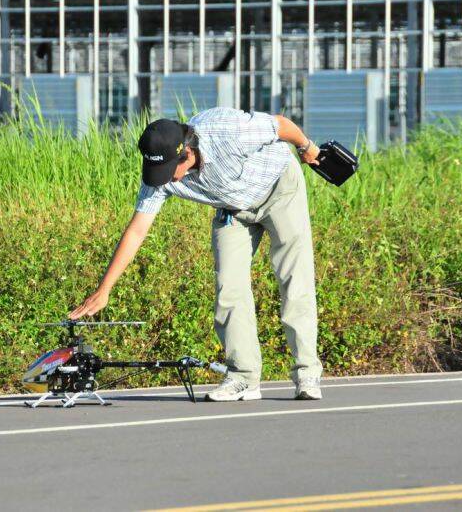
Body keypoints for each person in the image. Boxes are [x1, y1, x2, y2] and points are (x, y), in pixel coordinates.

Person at [68, 107, 323, 401]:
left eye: (167, 172)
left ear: (187, 154)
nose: (165, 180)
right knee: (228, 288)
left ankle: (306, 374)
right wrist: (104, 289)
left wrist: (307, 147)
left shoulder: (229, 130)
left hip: (279, 189)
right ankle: (243, 377)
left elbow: (281, 125)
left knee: (294, 279)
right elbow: (137, 230)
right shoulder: (160, 177)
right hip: (233, 209)